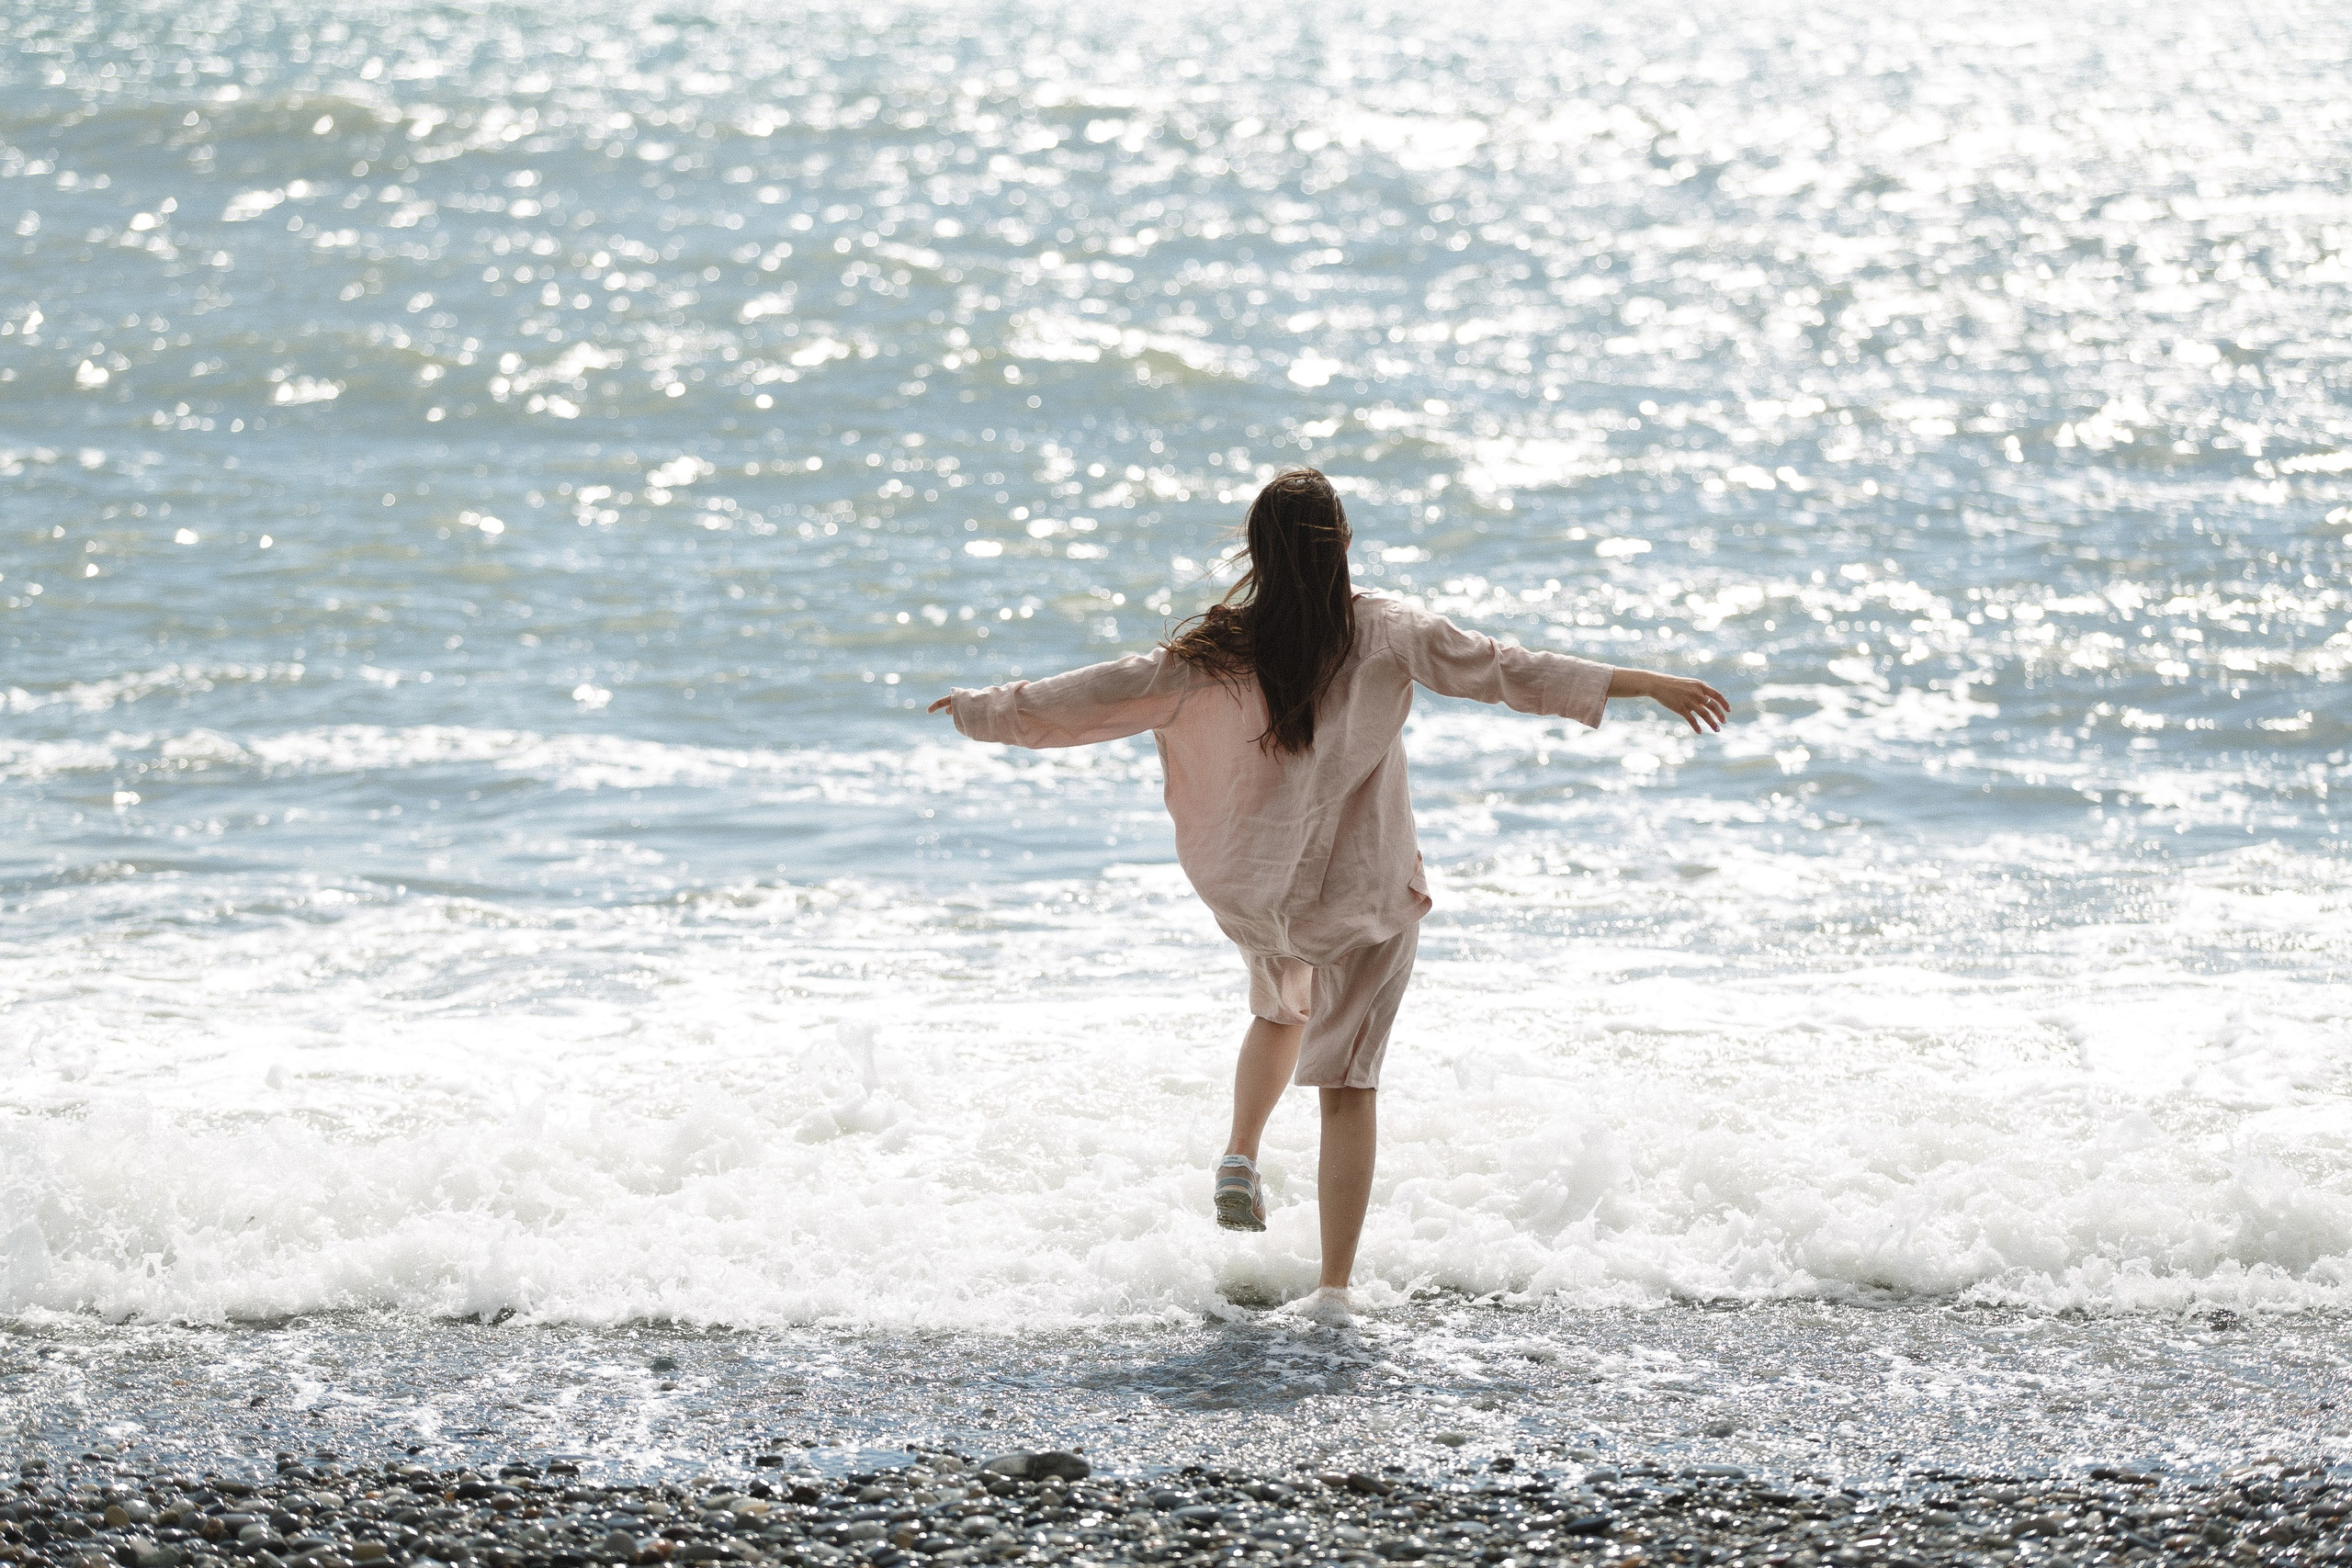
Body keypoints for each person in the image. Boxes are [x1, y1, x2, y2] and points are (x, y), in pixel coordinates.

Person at [929, 468, 1729, 1321]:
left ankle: (1240, 1152)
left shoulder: (1214, 648)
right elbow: (1502, 668)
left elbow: (1104, 688)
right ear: (1342, 543)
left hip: (1257, 886)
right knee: (1347, 1082)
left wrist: (988, 708)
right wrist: (1641, 682)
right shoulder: (1386, 630)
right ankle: (1333, 1291)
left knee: (1280, 1010)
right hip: (1358, 892)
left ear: (1257, 553)